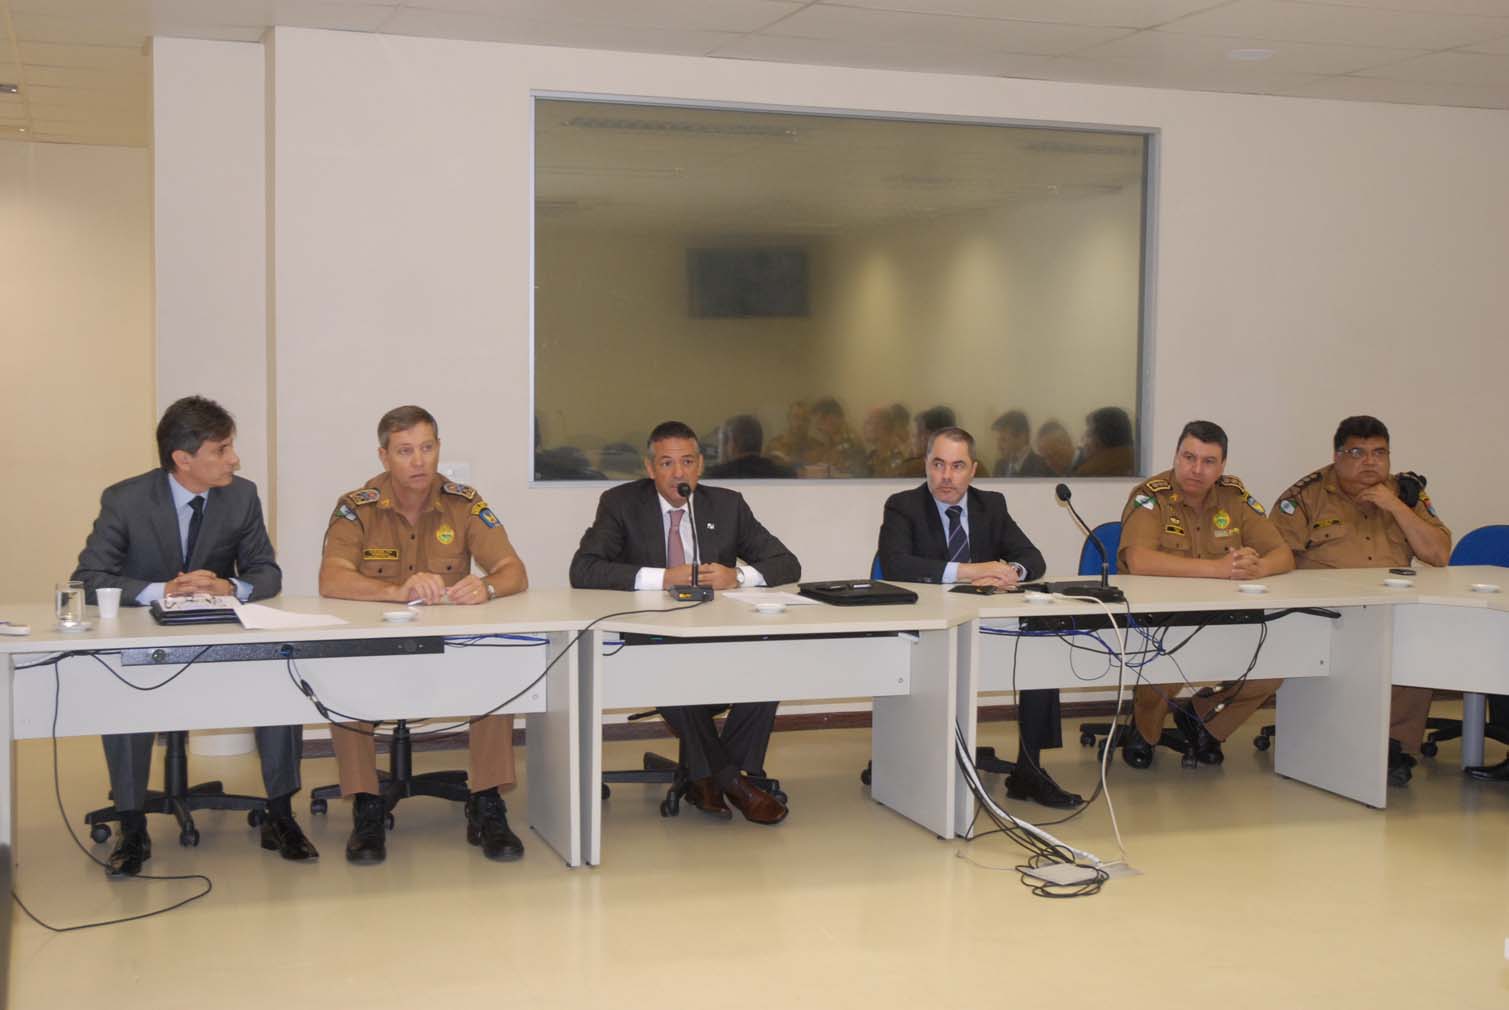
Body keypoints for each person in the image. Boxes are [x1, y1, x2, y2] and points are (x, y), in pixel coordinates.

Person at [71, 395, 314, 876]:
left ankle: (282, 813)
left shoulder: (240, 496)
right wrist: (163, 590)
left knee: (281, 679)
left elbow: (267, 573)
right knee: (125, 692)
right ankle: (132, 823)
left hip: (219, 640)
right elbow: (88, 578)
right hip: (147, 642)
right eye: (221, 450)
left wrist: (231, 586)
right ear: (183, 459)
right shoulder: (125, 500)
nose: (234, 460)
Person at [319, 405, 530, 863]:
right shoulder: (357, 507)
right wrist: (395, 591)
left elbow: (514, 570)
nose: (418, 461)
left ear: (439, 449)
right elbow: (331, 579)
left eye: (427, 448)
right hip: (378, 651)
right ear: (384, 456)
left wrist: (488, 587)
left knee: (497, 678)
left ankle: (487, 801)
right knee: (342, 683)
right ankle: (367, 804)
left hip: (449, 651)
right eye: (405, 451)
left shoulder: (464, 502)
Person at [569, 420, 801, 825]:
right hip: (653, 637)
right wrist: (662, 578)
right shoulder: (621, 504)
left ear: (700, 466)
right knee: (674, 672)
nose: (679, 473)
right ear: (650, 468)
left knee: (768, 664)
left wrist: (737, 576)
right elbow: (584, 570)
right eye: (667, 463)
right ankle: (735, 783)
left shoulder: (727, 505)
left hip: (717, 632)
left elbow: (787, 563)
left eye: (688, 462)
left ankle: (708, 775)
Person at [877, 426, 1081, 808]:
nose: (946, 476)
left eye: (957, 466)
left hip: (986, 624)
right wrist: (972, 571)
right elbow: (896, 565)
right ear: (926, 465)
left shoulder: (991, 505)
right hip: (929, 628)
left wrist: (1011, 572)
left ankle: (1030, 771)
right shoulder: (904, 506)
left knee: (1040, 653)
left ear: (973, 470)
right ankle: (916, 762)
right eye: (938, 464)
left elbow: (1033, 558)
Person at [1271, 415, 1452, 786]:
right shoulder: (1305, 496)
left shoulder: (1406, 494)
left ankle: (1394, 746)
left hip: (1389, 608)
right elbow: (1276, 556)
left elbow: (1438, 554)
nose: (1370, 462)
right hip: (1326, 613)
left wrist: (1396, 507)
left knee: (1418, 646)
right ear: (1337, 456)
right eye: (1357, 453)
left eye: (1379, 453)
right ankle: (1337, 739)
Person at [1117, 420, 1294, 769]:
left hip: (1227, 614)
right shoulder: (1151, 495)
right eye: (1189, 457)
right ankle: (1145, 729)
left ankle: (1204, 721)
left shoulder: (1234, 496)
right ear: (1176, 456)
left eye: (1208, 461)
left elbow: (1283, 554)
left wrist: (1259, 567)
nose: (1196, 469)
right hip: (1163, 617)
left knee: (1274, 668)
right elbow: (1138, 560)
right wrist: (1218, 568)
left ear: (1222, 465)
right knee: (1165, 665)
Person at [706, 414, 796, 479]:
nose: (719, 450)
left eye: (721, 443)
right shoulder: (786, 475)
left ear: (732, 444)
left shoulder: (714, 478)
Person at [1073, 407, 1136, 476]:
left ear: (1105, 436)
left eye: (1089, 435)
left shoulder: (1090, 472)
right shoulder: (1137, 462)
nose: (1083, 442)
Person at [897, 405, 956, 478]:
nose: (914, 438)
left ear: (932, 436)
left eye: (919, 432)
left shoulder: (913, 468)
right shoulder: (961, 463)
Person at [990, 410, 1053, 477]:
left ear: (1022, 437)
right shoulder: (999, 466)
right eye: (998, 440)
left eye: (1003, 440)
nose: (998, 446)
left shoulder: (1043, 467)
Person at [767, 400, 816, 470]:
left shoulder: (817, 447)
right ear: (788, 418)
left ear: (809, 422)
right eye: (796, 417)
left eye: (805, 419)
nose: (800, 422)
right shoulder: (774, 445)